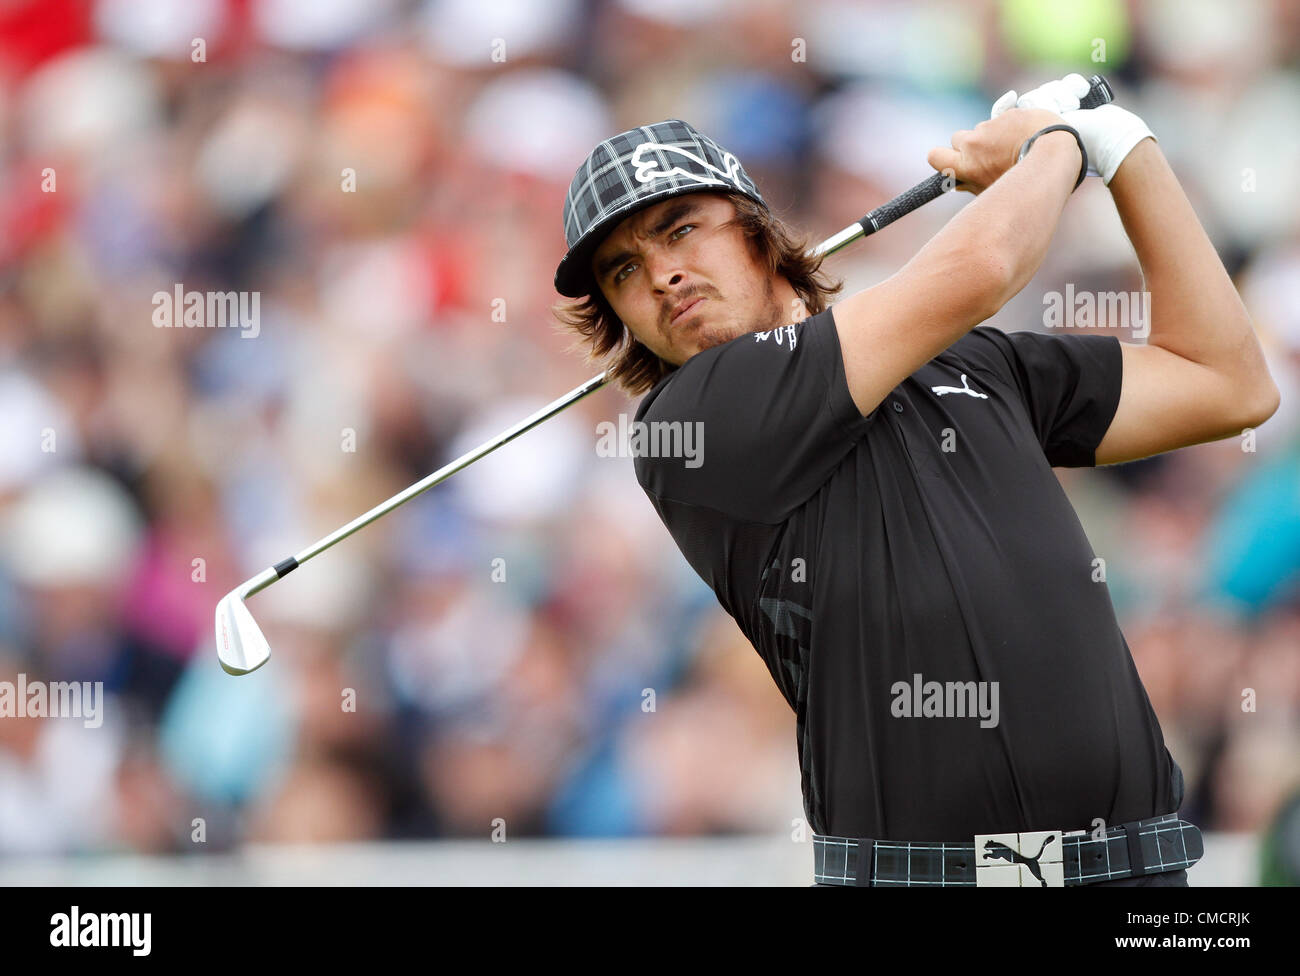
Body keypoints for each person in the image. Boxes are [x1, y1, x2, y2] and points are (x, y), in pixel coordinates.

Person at [551, 78, 1280, 886]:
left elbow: (1229, 385)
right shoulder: (689, 425)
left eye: (681, 229)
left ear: (755, 228)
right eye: (624, 271)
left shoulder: (974, 364)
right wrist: (1058, 141)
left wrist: (1128, 150)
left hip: (1133, 868)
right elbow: (984, 266)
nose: (661, 275)